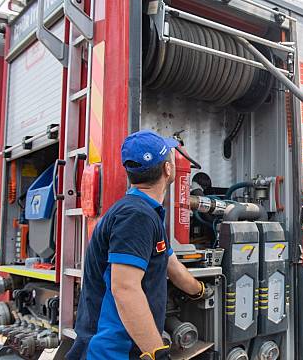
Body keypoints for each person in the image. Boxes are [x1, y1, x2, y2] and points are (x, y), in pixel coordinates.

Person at [66, 130, 212, 360]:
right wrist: (157, 352)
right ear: (167, 169)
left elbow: (172, 267)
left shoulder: (145, 212)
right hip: (111, 351)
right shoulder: (136, 217)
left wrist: (201, 290)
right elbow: (125, 289)